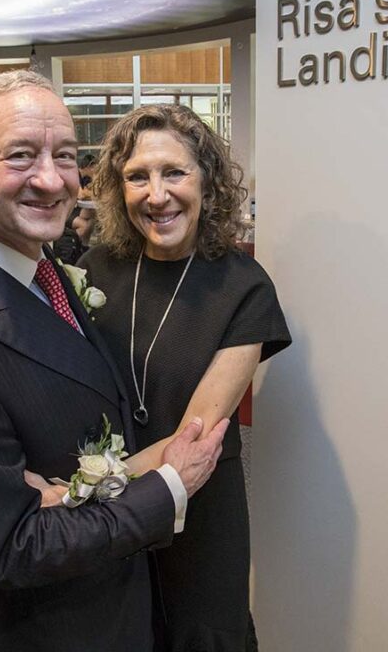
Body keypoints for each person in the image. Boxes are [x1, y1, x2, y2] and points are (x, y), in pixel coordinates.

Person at [0, 71, 231, 652]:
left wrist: (69, 495)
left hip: (110, 587)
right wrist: (168, 485)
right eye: (21, 156)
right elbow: (17, 546)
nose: (51, 180)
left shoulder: (44, 262)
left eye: (66, 156)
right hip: (52, 624)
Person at [71, 104, 291, 651]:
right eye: (137, 177)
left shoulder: (244, 287)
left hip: (197, 509)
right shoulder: (95, 269)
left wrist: (77, 493)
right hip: (110, 518)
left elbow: (192, 442)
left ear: (207, 181)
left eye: (174, 172)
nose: (157, 194)